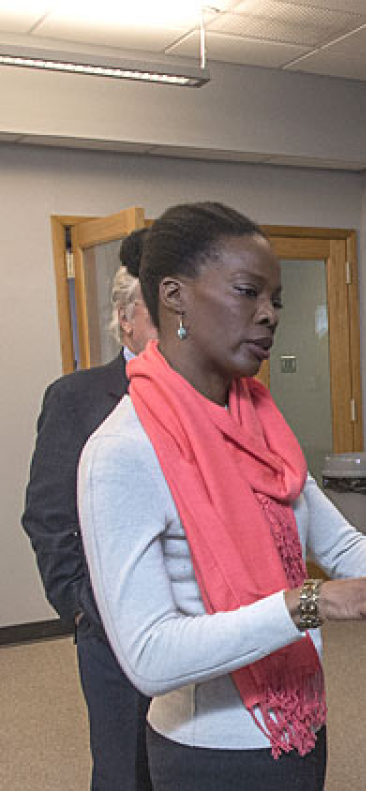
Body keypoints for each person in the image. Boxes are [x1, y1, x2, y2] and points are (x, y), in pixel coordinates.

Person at [78, 202, 366, 791]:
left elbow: (342, 543)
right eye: (249, 292)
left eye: (276, 300)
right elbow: (149, 657)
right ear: (174, 297)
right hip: (211, 755)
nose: (269, 315)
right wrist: (312, 603)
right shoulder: (122, 450)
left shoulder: (260, 424)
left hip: (298, 724)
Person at [22, 229, 158, 790]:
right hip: (113, 625)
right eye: (161, 310)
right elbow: (48, 515)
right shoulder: (77, 398)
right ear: (127, 319)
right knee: (126, 766)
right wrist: (79, 606)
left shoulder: (216, 395)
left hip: (200, 618)